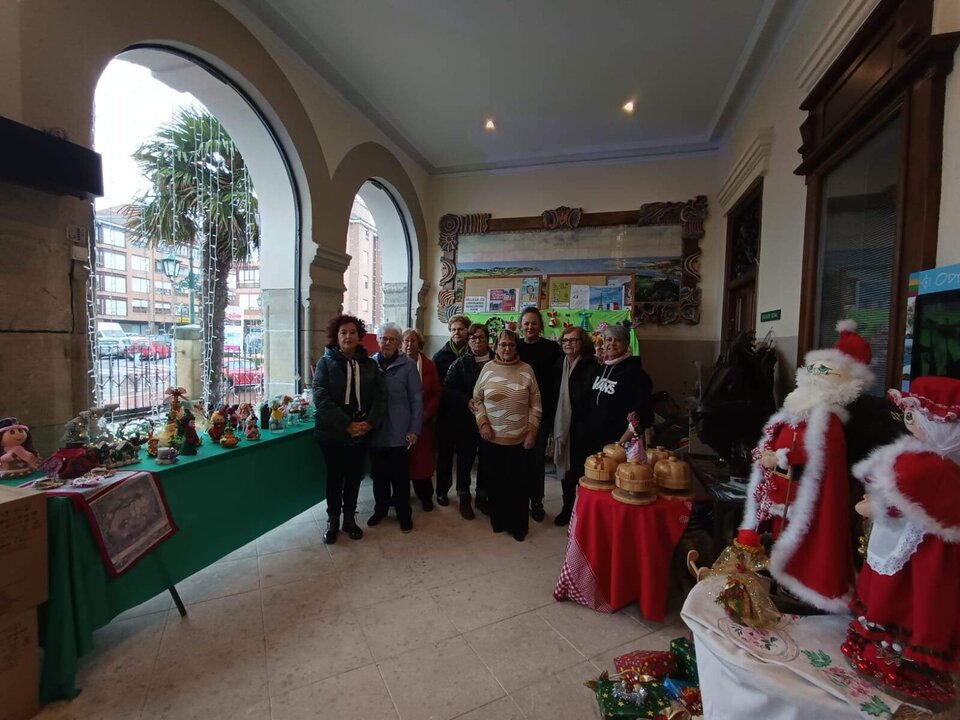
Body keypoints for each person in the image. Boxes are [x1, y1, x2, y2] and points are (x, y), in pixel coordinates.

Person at [741, 320, 873, 612]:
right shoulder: (799, 410)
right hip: (783, 492)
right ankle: (784, 577)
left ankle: (803, 588)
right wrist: (768, 452)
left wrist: (782, 457)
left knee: (807, 545)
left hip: (804, 497)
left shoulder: (827, 420)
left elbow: (819, 456)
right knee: (783, 538)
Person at [846, 376, 960, 686]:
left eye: (915, 415)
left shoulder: (931, 466)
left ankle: (899, 650)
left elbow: (903, 497)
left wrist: (872, 506)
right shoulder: (932, 461)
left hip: (919, 551)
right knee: (918, 595)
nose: (907, 420)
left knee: (906, 594)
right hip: (920, 545)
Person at [313, 314, 385, 544]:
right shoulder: (325, 363)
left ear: (359, 335)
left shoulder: (370, 364)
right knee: (335, 478)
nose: (348, 336)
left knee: (354, 477)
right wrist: (347, 424)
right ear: (336, 336)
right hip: (332, 433)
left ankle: (349, 520)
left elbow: (380, 397)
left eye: (352, 332)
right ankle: (332, 521)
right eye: (343, 332)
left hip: (362, 431)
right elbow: (321, 398)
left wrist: (369, 422)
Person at [473, 329, 542, 541]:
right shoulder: (487, 368)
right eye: (503, 344)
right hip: (491, 438)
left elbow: (536, 404)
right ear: (496, 346)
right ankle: (499, 520)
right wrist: (483, 423)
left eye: (511, 345)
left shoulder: (527, 369)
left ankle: (519, 526)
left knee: (518, 485)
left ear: (516, 347)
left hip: (519, 440)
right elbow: (477, 400)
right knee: (496, 483)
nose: (506, 349)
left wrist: (532, 432)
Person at [368, 322, 423, 533]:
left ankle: (403, 514)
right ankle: (380, 509)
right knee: (379, 476)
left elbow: (417, 400)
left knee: (400, 477)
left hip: (401, 432)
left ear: (399, 343)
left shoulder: (408, 365)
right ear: (378, 341)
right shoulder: (370, 364)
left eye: (392, 339)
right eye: (383, 338)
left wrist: (414, 429)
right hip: (376, 431)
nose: (387, 343)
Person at [444, 322, 495, 519]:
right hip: (466, 420)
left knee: (486, 458)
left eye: (481, 337)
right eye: (473, 337)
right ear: (469, 340)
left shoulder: (497, 360)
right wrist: (466, 401)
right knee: (465, 459)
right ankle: (464, 495)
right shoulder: (459, 363)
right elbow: (447, 389)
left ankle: (482, 496)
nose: (477, 341)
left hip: (492, 420)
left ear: (487, 339)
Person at [516, 307, 561, 522]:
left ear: (540, 326)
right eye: (526, 323)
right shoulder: (514, 347)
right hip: (515, 413)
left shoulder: (552, 348)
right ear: (520, 325)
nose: (530, 327)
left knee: (535, 460)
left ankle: (536, 500)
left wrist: (551, 415)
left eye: (534, 323)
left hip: (540, 413)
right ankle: (518, 500)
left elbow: (557, 384)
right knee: (518, 460)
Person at [583, 323, 653, 454]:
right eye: (609, 339)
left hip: (619, 444)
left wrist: (621, 443)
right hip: (594, 440)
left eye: (618, 340)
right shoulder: (601, 368)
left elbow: (642, 412)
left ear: (627, 345)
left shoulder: (636, 374)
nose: (612, 344)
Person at [551, 326, 596, 526]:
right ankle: (567, 508)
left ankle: (582, 512)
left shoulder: (591, 365)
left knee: (579, 470)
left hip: (582, 426)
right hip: (563, 425)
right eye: (565, 340)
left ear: (582, 343)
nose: (568, 344)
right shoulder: (560, 364)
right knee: (565, 469)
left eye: (573, 340)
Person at [433, 314, 471, 506]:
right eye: (454, 329)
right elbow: (438, 387)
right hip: (447, 414)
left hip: (468, 415)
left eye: (461, 329)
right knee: (444, 457)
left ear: (468, 331)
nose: (457, 332)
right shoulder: (440, 356)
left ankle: (463, 491)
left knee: (465, 456)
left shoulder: (474, 354)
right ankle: (441, 490)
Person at [402, 327, 440, 511]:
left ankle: (425, 496)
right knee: (400, 462)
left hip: (423, 423)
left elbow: (436, 394)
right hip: (399, 424)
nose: (410, 344)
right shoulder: (395, 364)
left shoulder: (430, 365)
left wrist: (425, 414)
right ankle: (400, 496)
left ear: (419, 344)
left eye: (413, 341)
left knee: (421, 463)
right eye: (406, 341)